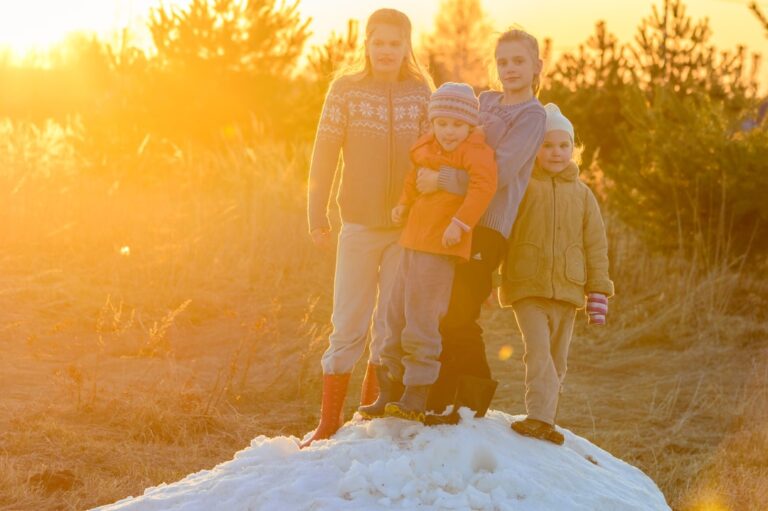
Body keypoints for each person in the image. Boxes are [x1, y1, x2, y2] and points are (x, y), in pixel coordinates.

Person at [301, 8, 433, 448]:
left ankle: (367, 417)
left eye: (395, 43)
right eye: (379, 42)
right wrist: (317, 216)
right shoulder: (346, 90)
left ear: (406, 46)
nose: (387, 50)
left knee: (389, 327)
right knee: (347, 322)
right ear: (367, 44)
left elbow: (435, 154)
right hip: (357, 225)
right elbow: (324, 155)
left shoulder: (421, 92)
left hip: (406, 228)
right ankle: (328, 423)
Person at [417, 28, 548, 420]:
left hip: (488, 226)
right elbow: (453, 137)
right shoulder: (486, 101)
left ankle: (470, 400)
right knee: (442, 307)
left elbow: (499, 173)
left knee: (460, 311)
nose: (510, 68)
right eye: (503, 61)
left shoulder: (532, 116)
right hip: (454, 219)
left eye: (519, 61)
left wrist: (441, 179)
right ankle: (442, 396)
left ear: (537, 66)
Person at [358, 83, 497, 423]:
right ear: (433, 123)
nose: (449, 131)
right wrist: (403, 205)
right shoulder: (426, 146)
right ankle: (389, 390)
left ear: (469, 125)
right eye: (442, 123)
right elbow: (413, 178)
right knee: (393, 315)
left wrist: (460, 224)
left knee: (422, 321)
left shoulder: (474, 152)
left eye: (457, 125)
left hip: (438, 248)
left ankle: (416, 393)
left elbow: (484, 188)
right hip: (410, 242)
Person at [500, 103, 614, 445]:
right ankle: (539, 417)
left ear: (573, 148)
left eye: (564, 145)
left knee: (557, 360)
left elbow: (596, 245)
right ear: (535, 149)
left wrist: (598, 290)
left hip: (568, 289)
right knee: (538, 354)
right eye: (547, 145)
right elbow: (502, 232)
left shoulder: (583, 195)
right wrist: (490, 279)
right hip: (527, 285)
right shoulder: (523, 187)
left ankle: (547, 419)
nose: (556, 152)